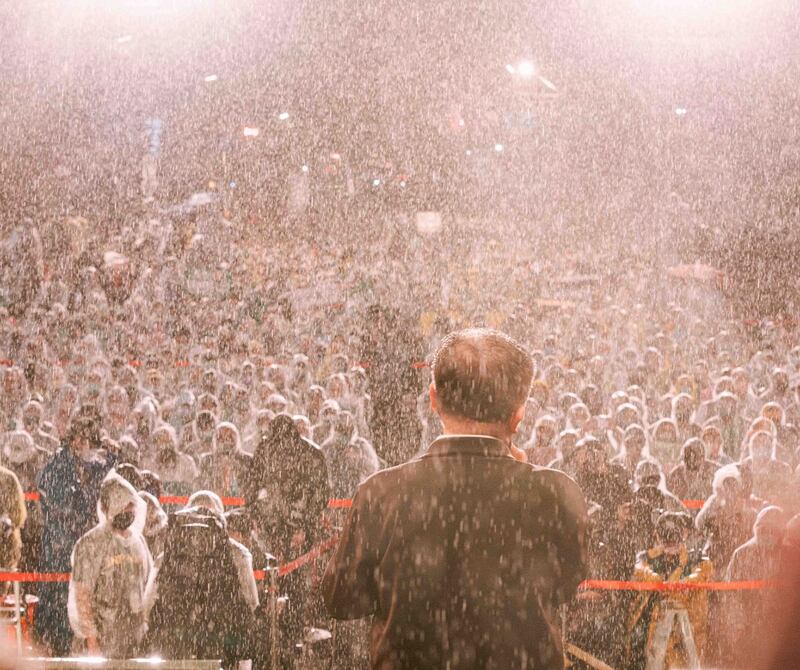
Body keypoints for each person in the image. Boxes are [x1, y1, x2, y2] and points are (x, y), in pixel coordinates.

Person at [322, 328, 588, 669]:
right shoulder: (557, 492)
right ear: (519, 415)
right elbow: (564, 587)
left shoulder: (381, 493)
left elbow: (342, 601)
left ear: (433, 400)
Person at [35, 409, 116, 655]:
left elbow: (110, 485)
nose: (83, 444)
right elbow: (59, 504)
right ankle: (56, 645)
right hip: (61, 545)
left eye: (88, 439)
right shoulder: (57, 465)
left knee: (89, 598)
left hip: (88, 545)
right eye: (79, 438)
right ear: (72, 440)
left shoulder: (97, 465)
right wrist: (79, 513)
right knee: (58, 602)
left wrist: (111, 455)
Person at [68, 473, 152, 657]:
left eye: (131, 505)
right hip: (103, 639)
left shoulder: (138, 542)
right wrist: (92, 641)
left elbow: (146, 585)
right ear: (108, 508)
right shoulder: (92, 544)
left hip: (132, 639)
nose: (129, 510)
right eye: (123, 506)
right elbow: (82, 594)